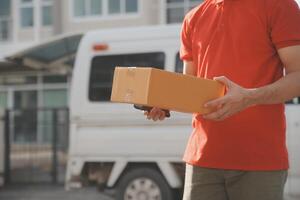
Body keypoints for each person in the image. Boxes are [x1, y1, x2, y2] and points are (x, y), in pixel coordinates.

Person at [144, 0, 300, 199]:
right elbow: (190, 88)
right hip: (203, 158)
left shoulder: (279, 6)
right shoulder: (193, 18)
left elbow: (298, 76)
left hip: (259, 161)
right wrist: (164, 102)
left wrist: (249, 98)